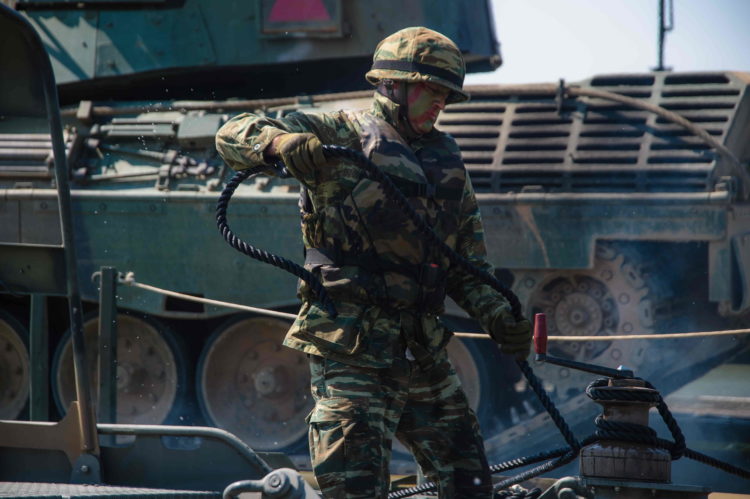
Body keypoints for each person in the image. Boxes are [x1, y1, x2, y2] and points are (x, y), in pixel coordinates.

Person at [215, 26, 532, 499]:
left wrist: (499, 317)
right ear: (393, 85)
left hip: (421, 351)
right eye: (432, 90)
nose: (441, 103)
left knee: (469, 481)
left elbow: (466, 264)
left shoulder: (446, 162)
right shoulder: (339, 133)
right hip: (352, 350)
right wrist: (279, 146)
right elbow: (232, 133)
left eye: (447, 95)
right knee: (355, 487)